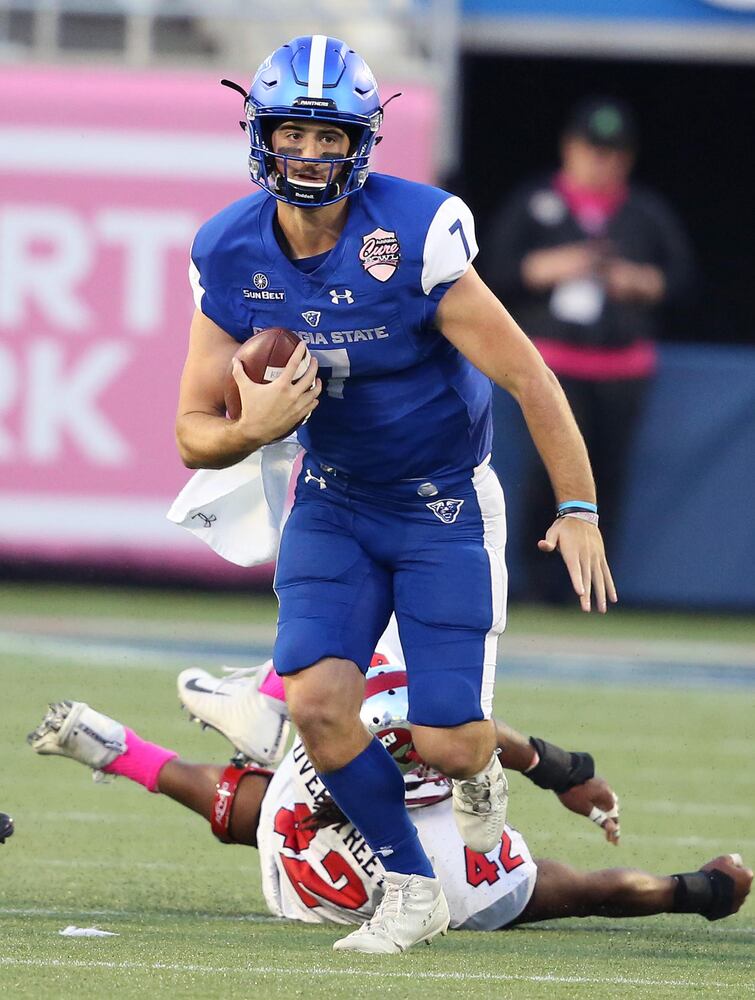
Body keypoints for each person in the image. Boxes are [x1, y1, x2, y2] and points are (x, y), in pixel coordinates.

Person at [175, 35, 616, 952]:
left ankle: (485, 765)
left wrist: (576, 508)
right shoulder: (227, 248)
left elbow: (530, 378)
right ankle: (409, 890)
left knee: (451, 741)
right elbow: (191, 432)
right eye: (291, 133)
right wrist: (255, 431)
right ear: (260, 134)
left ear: (361, 143)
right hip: (332, 497)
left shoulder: (413, 232)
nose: (307, 154)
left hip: (439, 502)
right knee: (317, 702)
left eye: (327, 137)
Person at [27, 642, 751, 935]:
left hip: (315, 844)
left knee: (272, 797)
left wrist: (564, 770)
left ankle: (255, 711)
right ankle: (158, 742)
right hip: (352, 885)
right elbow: (479, 737)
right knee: (567, 888)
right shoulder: (466, 870)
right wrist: (566, 771)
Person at [483, 96, 694, 602]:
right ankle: (537, 583)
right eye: (593, 150)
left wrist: (641, 282)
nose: (602, 162)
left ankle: (595, 588)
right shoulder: (536, 202)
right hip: (553, 366)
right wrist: (550, 266)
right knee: (545, 475)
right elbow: (488, 274)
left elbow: (684, 280)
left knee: (610, 476)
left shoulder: (643, 212)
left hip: (622, 368)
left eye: (613, 152)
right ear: (570, 148)